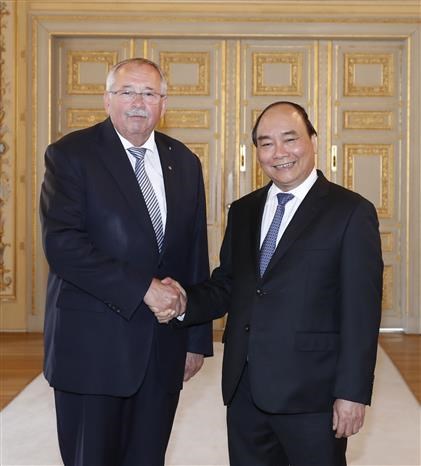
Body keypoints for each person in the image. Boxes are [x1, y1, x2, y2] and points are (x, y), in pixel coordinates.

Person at [157, 101, 383, 465]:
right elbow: (229, 284)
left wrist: (353, 393)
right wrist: (183, 302)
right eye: (266, 143)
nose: (279, 153)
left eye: (289, 139)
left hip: (313, 395)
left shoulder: (351, 212)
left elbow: (362, 313)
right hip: (245, 388)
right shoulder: (244, 210)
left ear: (312, 140)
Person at [40, 57, 212, 466]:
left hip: (162, 348)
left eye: (149, 93)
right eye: (127, 92)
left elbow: (193, 253)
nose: (138, 102)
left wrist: (195, 340)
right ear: (107, 99)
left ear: (164, 103)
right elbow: (63, 246)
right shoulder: (70, 155)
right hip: (91, 349)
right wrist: (144, 289)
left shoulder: (185, 162)